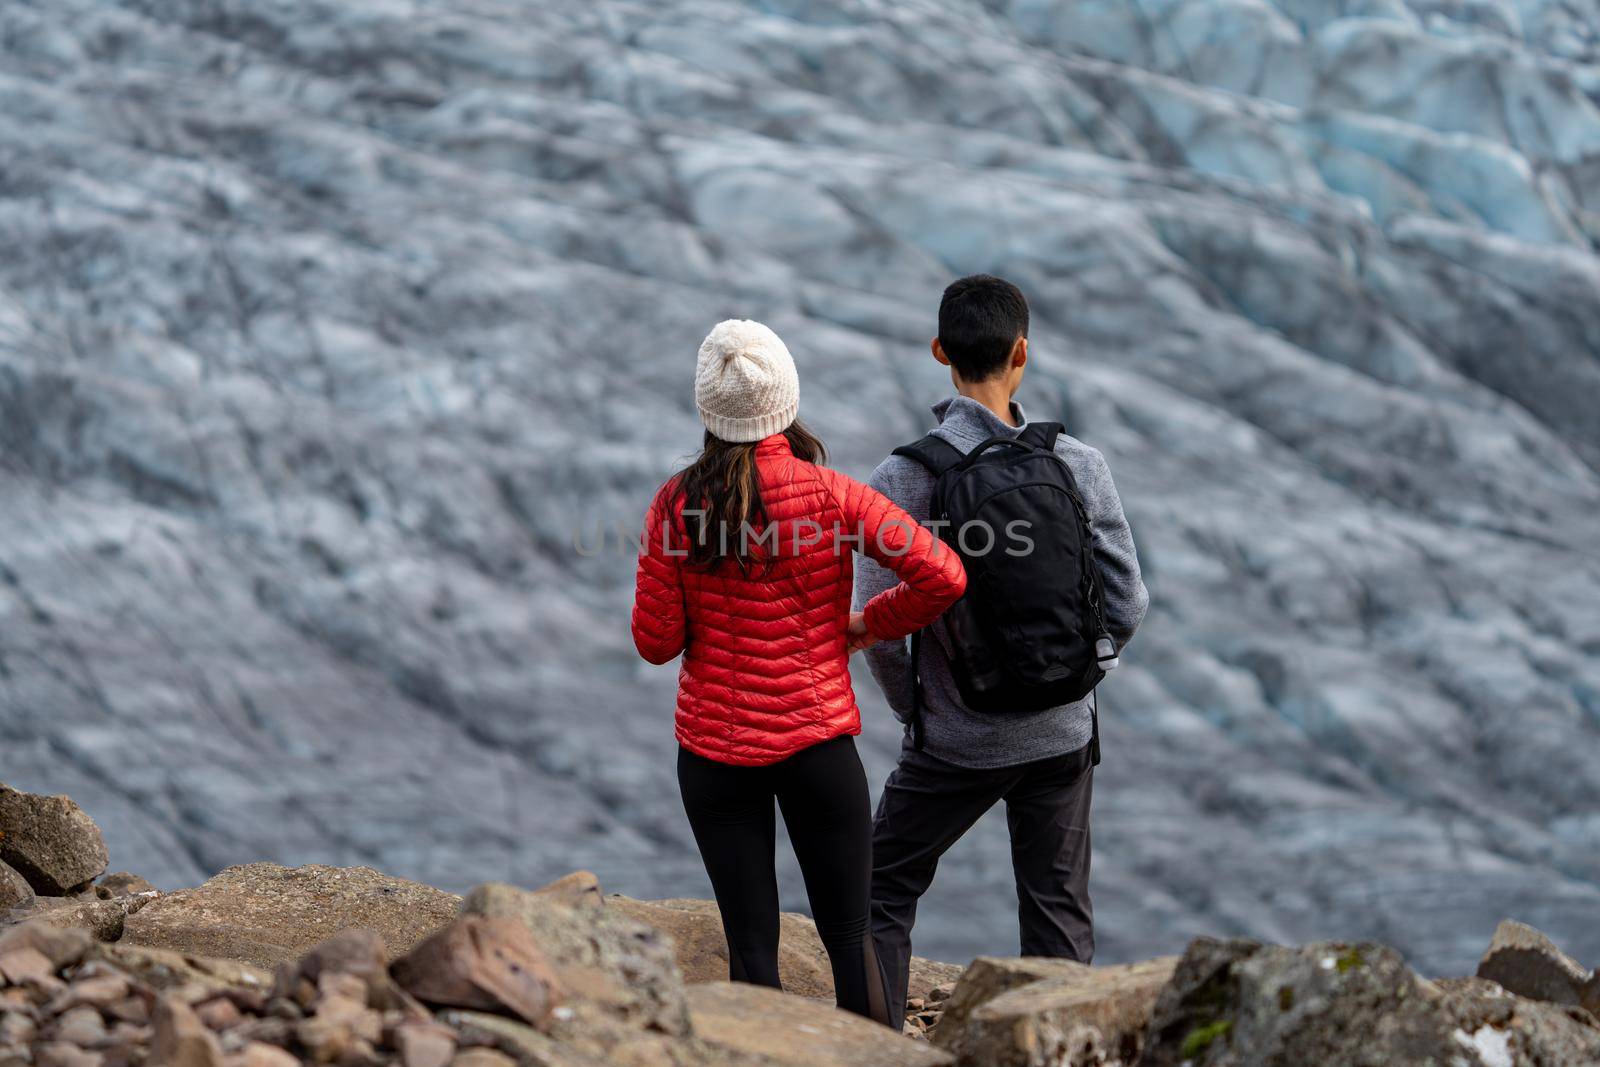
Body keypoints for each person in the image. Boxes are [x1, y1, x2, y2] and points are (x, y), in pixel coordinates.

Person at [632, 318, 967, 1027]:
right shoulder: (833, 494)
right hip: (817, 746)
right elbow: (943, 574)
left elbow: (656, 643)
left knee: (752, 950)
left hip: (714, 755)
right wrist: (866, 623)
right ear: (784, 398)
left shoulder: (675, 504)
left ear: (708, 408)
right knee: (850, 939)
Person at [854, 275, 1149, 1017]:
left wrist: (917, 713)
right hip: (1061, 732)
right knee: (1057, 913)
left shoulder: (904, 478)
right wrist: (1079, 674)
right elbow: (1129, 602)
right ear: (1023, 352)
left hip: (955, 739)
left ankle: (875, 1046)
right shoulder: (1078, 463)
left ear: (939, 352)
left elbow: (876, 624)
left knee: (877, 891)